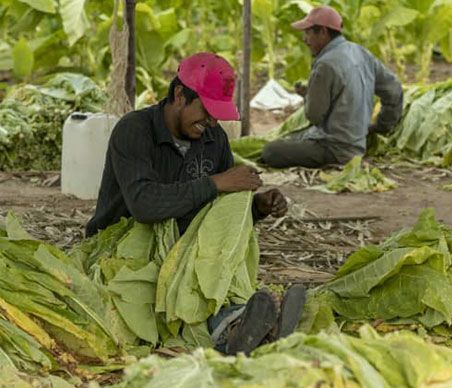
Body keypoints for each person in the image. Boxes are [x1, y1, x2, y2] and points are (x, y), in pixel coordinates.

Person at [86, 52, 304, 355]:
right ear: (179, 95)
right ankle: (233, 329)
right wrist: (216, 183)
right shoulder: (134, 130)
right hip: (123, 252)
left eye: (217, 114)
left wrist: (257, 208)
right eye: (206, 110)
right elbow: (144, 205)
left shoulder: (214, 140)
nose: (212, 121)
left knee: (209, 268)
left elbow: (217, 217)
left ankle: (243, 327)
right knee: (157, 294)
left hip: (185, 250)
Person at [261, 5, 404, 168]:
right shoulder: (359, 52)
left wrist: (309, 96)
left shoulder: (325, 65)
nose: (304, 39)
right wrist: (382, 126)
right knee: (292, 139)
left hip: (334, 149)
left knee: (271, 150)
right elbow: (394, 89)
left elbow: (314, 116)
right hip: (358, 144)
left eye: (308, 33)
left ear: (322, 32)